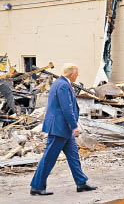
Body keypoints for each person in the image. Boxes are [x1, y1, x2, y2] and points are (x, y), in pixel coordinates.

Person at [30, 63, 96, 195]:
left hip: (63, 129)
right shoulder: (63, 85)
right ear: (71, 74)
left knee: (73, 156)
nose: (77, 75)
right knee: (49, 158)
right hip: (59, 128)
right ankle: (37, 187)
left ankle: (81, 183)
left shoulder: (62, 83)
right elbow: (66, 108)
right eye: (77, 73)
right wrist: (74, 126)